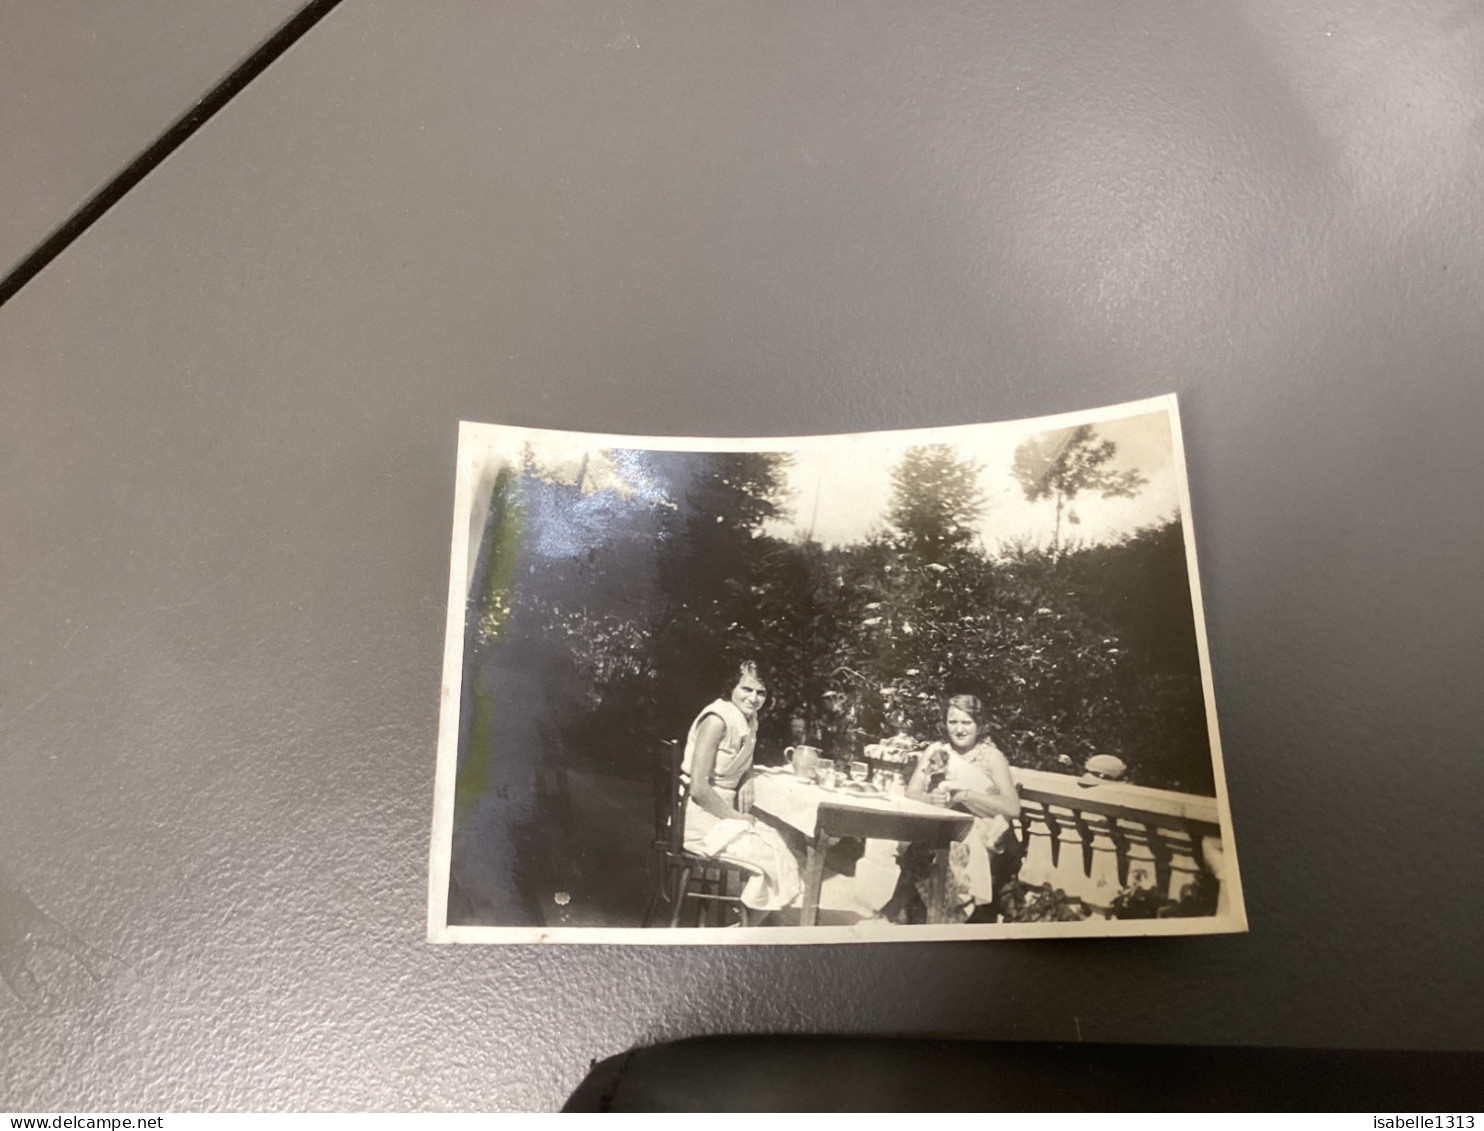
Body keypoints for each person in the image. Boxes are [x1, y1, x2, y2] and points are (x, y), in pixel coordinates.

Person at [884, 694, 1022, 923]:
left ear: (979, 725)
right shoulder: (936, 752)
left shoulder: (991, 757)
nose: (959, 729)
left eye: (966, 722)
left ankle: (943, 919)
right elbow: (912, 794)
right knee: (919, 845)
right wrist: (933, 799)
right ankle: (911, 913)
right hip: (941, 822)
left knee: (950, 851)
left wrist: (966, 795)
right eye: (953, 722)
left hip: (976, 830)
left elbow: (1012, 807)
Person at [680, 660, 802, 916]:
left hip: (721, 816)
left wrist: (747, 776)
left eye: (761, 692)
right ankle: (747, 929)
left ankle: (749, 925)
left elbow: (739, 756)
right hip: (699, 818)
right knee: (773, 859)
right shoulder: (717, 720)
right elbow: (699, 789)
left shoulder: (748, 719)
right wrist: (737, 818)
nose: (753, 698)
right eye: (746, 689)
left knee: (781, 846)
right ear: (731, 687)